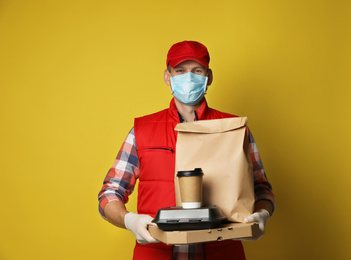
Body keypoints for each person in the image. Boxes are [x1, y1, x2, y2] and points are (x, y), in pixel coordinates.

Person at [98, 40, 275, 260]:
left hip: (222, 252)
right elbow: (110, 192)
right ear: (167, 77)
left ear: (208, 77)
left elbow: (262, 189)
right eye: (180, 71)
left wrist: (262, 214)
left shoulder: (235, 129)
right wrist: (129, 220)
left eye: (196, 71)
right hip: (157, 254)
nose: (188, 77)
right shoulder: (141, 131)